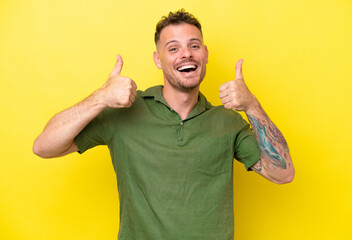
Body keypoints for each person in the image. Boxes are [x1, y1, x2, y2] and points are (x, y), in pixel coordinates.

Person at [33, 9, 294, 240]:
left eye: (194, 46)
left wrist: (251, 106)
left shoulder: (227, 122)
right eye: (173, 48)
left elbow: (283, 174)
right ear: (158, 60)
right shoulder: (124, 113)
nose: (185, 54)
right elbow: (44, 147)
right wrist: (101, 97)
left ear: (204, 54)